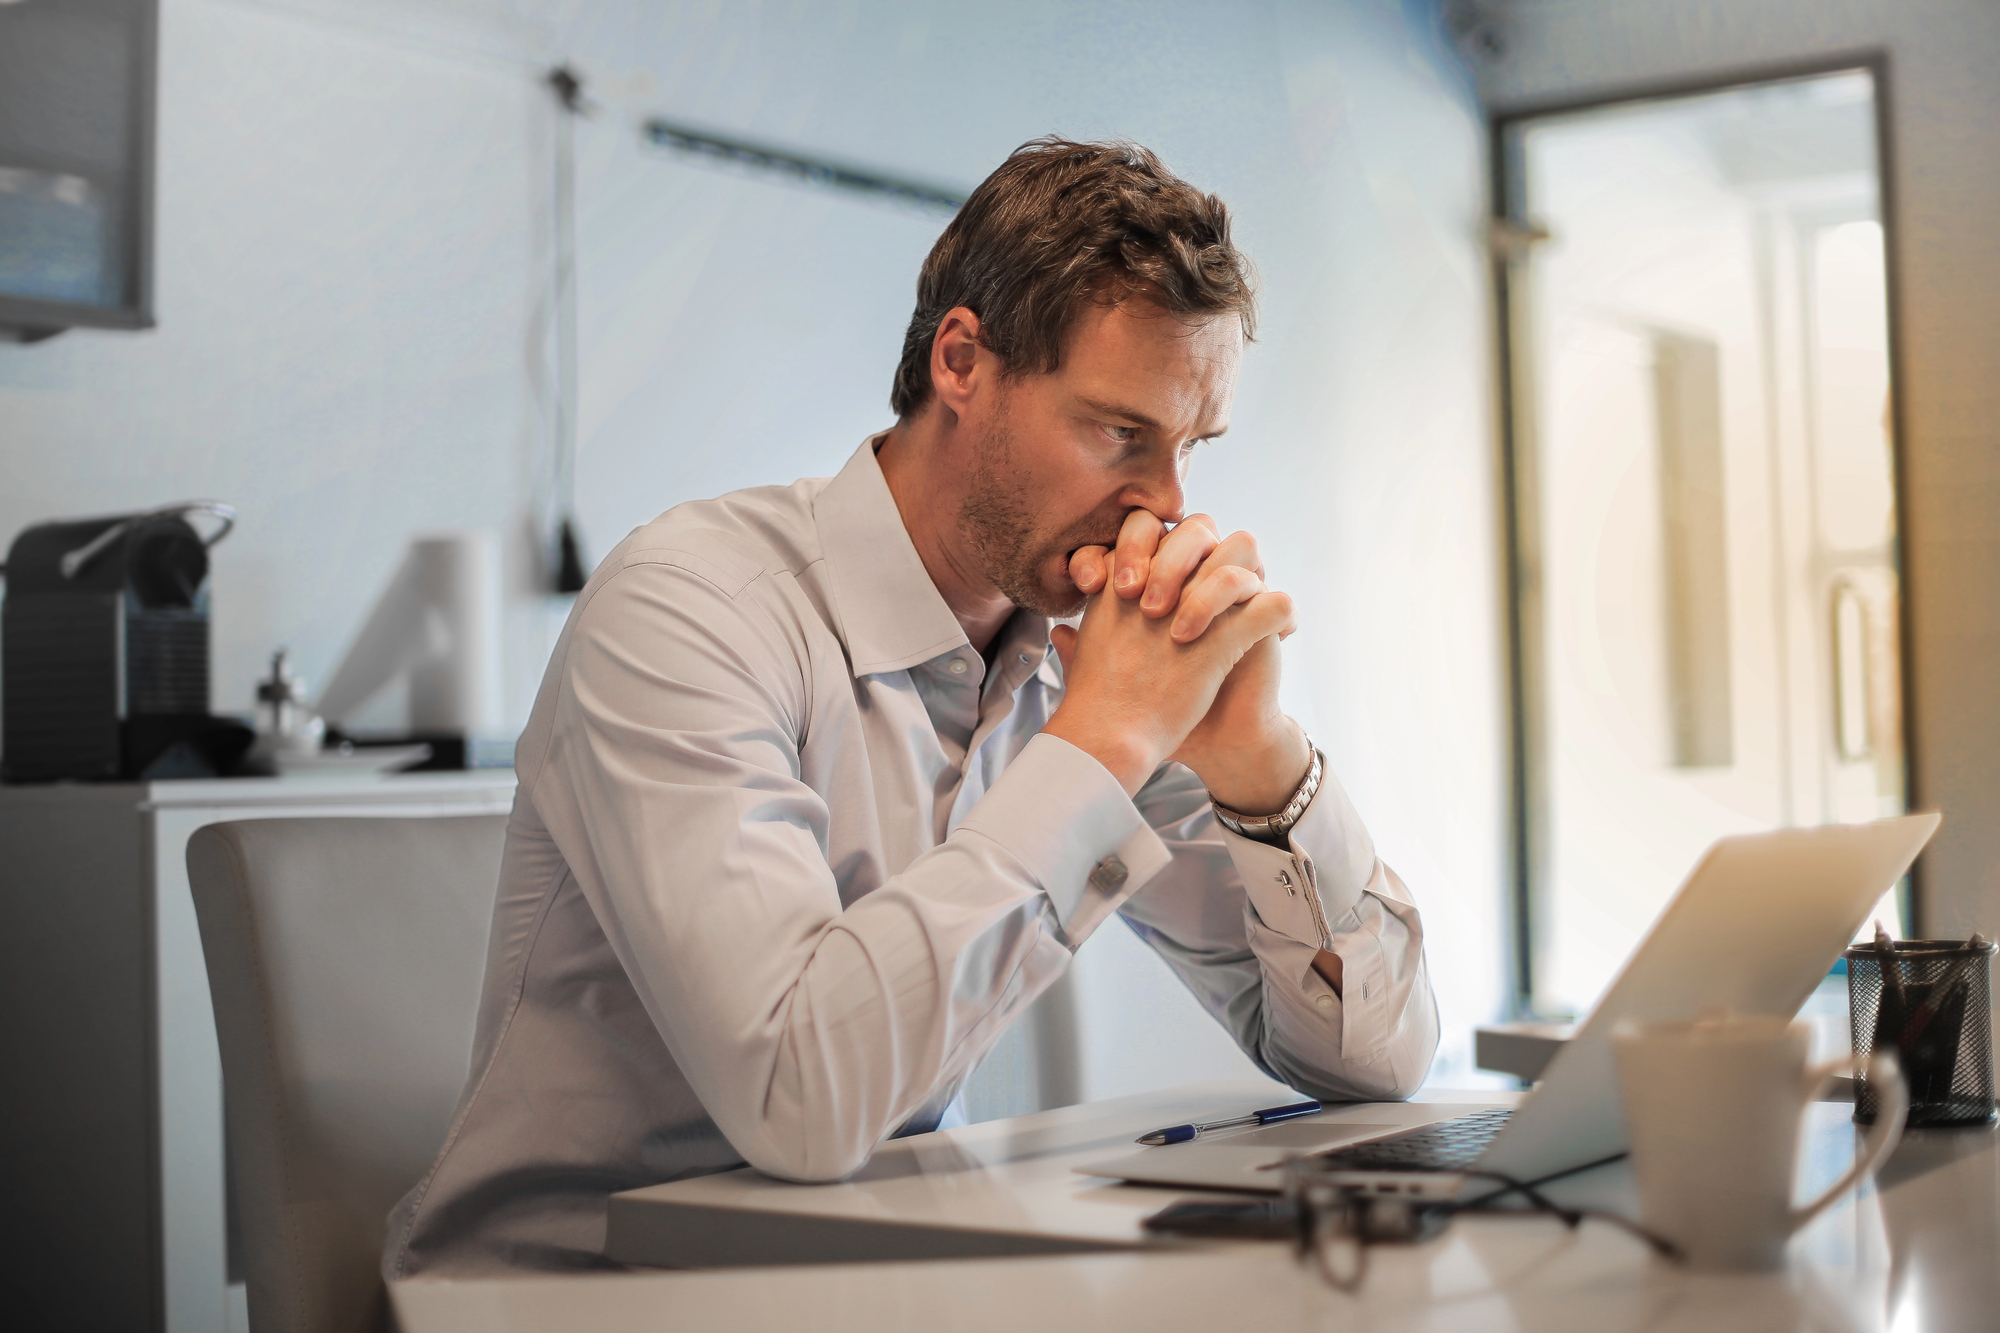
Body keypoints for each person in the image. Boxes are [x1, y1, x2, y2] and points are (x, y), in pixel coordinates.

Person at [385, 137, 1437, 1277]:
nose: (1166, 502)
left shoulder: (1071, 656)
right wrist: (1106, 741)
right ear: (961, 362)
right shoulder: (688, 607)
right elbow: (800, 1101)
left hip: (844, 1278)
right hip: (570, 1298)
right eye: (1116, 431)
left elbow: (1372, 1058)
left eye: (1188, 446)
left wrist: (1263, 770)